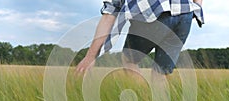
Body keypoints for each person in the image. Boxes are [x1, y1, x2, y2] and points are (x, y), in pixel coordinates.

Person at [76, 0, 204, 75]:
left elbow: (109, 14)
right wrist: (197, 8)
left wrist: (90, 56)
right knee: (160, 73)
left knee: (128, 60)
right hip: (185, 15)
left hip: (155, 14)